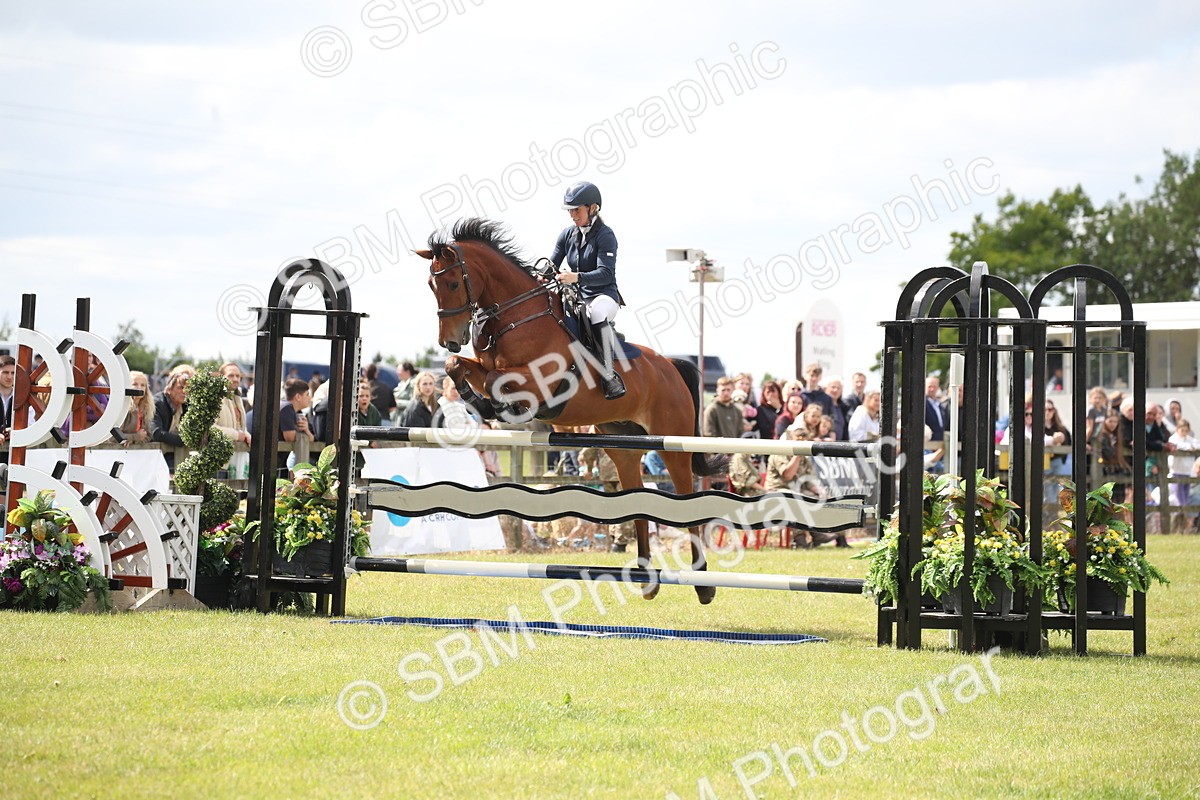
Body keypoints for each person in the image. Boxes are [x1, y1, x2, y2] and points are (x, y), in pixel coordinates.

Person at [549, 180, 626, 399]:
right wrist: (536, 275)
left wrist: (577, 277)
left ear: (593, 208)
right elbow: (553, 263)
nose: (573, 215)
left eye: (577, 210)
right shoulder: (567, 235)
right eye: (570, 210)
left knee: (597, 313)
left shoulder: (605, 235)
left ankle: (609, 376)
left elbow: (606, 273)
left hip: (604, 295)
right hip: (578, 298)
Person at [150, 371, 189, 471]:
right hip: (154, 456)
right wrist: (183, 440)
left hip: (175, 454)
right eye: (180, 387)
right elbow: (156, 433)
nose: (185, 391)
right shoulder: (158, 403)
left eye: (188, 388)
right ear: (169, 389)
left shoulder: (186, 406)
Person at [118, 370, 154, 445]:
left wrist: (134, 441)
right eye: (135, 384)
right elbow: (113, 437)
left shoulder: (146, 408)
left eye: (143, 385)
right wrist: (135, 437)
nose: (139, 387)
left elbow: (148, 436)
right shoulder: (122, 408)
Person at [1168, 419, 1197, 512]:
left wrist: (1193, 447)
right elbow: (1175, 445)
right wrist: (1188, 447)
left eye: (1186, 431)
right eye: (1182, 430)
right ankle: (1178, 522)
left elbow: (1197, 444)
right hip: (1176, 472)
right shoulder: (1173, 438)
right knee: (1179, 501)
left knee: (1185, 499)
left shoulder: (1189, 439)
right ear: (1177, 429)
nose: (1184, 433)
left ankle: (1182, 522)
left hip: (1187, 472)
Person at [823, 375, 850, 440]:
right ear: (825, 388)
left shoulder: (844, 407)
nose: (836, 390)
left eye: (839, 388)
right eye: (833, 387)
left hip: (840, 445)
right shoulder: (822, 404)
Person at [0, 355, 15, 447]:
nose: (10, 377)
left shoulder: (22, 397)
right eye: (5, 372)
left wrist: (15, 432)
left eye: (13, 373)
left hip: (13, 452)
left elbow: (31, 423)